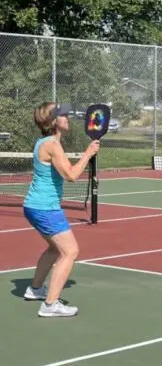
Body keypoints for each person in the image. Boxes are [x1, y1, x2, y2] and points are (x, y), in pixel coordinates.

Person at [22, 102, 101, 317]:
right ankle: (50, 305)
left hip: (35, 206)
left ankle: (36, 289)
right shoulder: (51, 145)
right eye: (62, 115)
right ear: (54, 121)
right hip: (44, 207)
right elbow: (72, 175)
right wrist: (88, 153)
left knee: (55, 249)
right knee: (70, 251)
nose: (67, 117)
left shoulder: (46, 142)